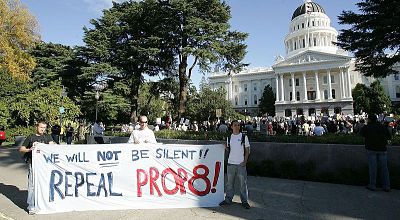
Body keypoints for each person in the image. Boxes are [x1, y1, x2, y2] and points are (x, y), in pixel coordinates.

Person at [18, 121, 55, 214]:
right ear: (37, 127)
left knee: (46, 184)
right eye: (41, 127)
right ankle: (31, 206)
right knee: (32, 186)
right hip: (33, 165)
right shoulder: (31, 137)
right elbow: (21, 149)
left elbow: (53, 146)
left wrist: (53, 145)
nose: (42, 129)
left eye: (44, 127)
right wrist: (29, 149)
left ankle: (45, 204)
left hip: (45, 166)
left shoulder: (47, 137)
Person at [219, 120, 251, 209]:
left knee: (242, 184)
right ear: (231, 127)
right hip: (230, 164)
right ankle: (228, 199)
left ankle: (244, 201)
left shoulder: (244, 137)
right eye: (235, 125)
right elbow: (229, 150)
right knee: (229, 184)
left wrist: (245, 161)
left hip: (241, 164)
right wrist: (225, 147)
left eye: (238, 125)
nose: (237, 127)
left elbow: (247, 151)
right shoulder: (229, 137)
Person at [360, 114, 391, 192]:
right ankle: (386, 186)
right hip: (382, 149)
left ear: (369, 119)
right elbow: (389, 136)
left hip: (371, 149)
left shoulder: (367, 127)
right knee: (384, 168)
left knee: (373, 168)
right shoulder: (382, 126)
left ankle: (372, 185)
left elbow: (361, 134)